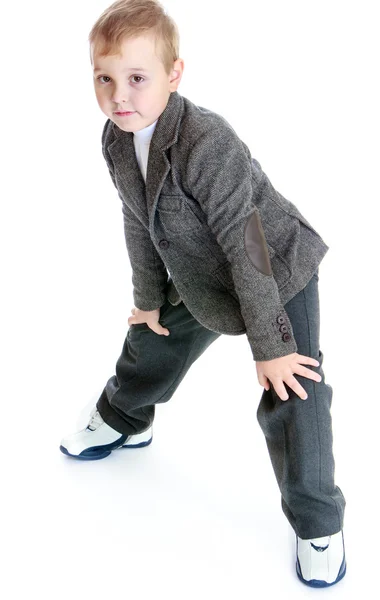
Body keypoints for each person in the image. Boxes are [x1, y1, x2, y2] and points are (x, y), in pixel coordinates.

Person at [59, 0, 346, 588]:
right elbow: (138, 222)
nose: (120, 95)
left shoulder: (206, 140)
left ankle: (318, 520)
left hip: (274, 266)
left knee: (294, 384)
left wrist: (268, 346)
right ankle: (125, 417)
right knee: (153, 332)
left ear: (174, 74)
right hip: (199, 272)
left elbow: (249, 243)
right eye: (104, 78)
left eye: (137, 79)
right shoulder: (116, 141)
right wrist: (147, 296)